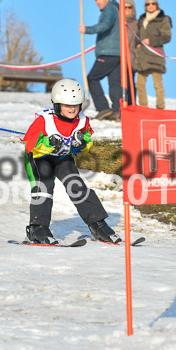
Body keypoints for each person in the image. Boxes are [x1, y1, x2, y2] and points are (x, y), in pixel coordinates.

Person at [22, 78, 122, 244]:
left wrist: (81, 143)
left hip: (63, 158)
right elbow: (30, 147)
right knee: (44, 186)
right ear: (57, 104)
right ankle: (37, 228)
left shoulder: (81, 121)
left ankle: (97, 224)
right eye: (67, 105)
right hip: (40, 159)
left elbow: (87, 140)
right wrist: (49, 143)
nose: (72, 109)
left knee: (76, 186)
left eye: (75, 105)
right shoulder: (44, 120)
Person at [79, 0, 122, 121]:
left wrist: (87, 29)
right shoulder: (115, 9)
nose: (98, 2)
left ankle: (103, 108)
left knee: (92, 78)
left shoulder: (109, 10)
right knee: (114, 82)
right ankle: (116, 111)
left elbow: (105, 25)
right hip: (116, 53)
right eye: (96, 0)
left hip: (108, 52)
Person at [135, 0, 172, 110]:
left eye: (153, 3)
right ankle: (143, 108)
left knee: (158, 85)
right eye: (148, 4)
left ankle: (160, 108)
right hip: (143, 57)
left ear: (157, 4)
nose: (150, 5)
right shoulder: (142, 19)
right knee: (140, 83)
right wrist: (137, 44)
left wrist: (151, 41)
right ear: (145, 6)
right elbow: (138, 34)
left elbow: (167, 37)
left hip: (156, 55)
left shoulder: (163, 19)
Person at [124, 0, 139, 104]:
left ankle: (131, 103)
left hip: (132, 57)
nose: (127, 10)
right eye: (125, 7)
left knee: (130, 82)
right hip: (119, 58)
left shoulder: (137, 23)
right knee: (118, 84)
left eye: (129, 7)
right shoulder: (118, 23)